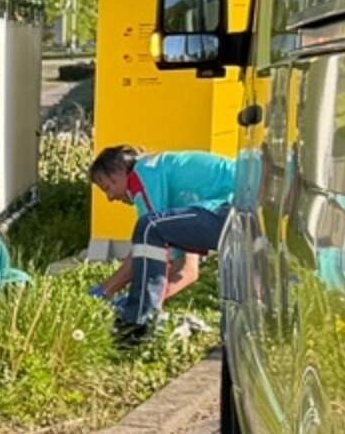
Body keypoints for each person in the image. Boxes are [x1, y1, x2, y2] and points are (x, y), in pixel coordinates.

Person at [91, 143, 237, 341]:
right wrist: (136, 301)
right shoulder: (180, 199)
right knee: (152, 231)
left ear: (119, 172)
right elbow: (187, 271)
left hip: (233, 206)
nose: (110, 198)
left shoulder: (143, 173)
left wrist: (102, 292)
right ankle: (142, 319)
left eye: (108, 187)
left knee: (148, 228)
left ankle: (136, 327)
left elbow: (145, 246)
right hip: (239, 209)